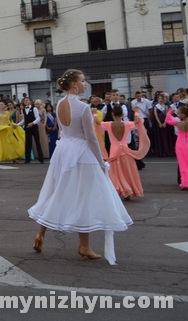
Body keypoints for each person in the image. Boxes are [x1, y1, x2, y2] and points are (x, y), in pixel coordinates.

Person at [29, 69, 132, 265]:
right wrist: (101, 160)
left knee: (56, 190)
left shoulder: (60, 103)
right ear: (75, 85)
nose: (85, 84)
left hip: (63, 149)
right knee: (84, 196)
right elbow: (91, 138)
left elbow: (63, 130)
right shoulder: (83, 107)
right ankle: (84, 245)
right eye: (83, 81)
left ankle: (41, 232)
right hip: (81, 152)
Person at [95, 105, 151, 199]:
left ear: (112, 114)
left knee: (115, 172)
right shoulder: (127, 124)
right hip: (125, 149)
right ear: (123, 114)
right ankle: (127, 190)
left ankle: (118, 189)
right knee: (127, 170)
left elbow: (98, 122)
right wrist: (136, 112)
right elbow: (137, 121)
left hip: (114, 150)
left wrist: (94, 114)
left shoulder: (109, 124)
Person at [164, 106, 188, 190]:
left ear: (183, 115)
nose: (178, 114)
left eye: (179, 113)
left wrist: (170, 112)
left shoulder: (178, 123)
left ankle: (186, 182)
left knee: (183, 164)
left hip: (181, 144)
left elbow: (167, 120)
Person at [20, 97, 44, 163]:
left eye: (27, 100)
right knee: (28, 143)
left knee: (37, 142)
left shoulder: (34, 108)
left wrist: (33, 123)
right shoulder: (23, 110)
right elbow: (24, 120)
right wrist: (17, 125)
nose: (26, 101)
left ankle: (41, 159)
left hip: (34, 128)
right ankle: (27, 159)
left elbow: (38, 118)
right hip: (27, 128)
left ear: (30, 101)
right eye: (25, 100)